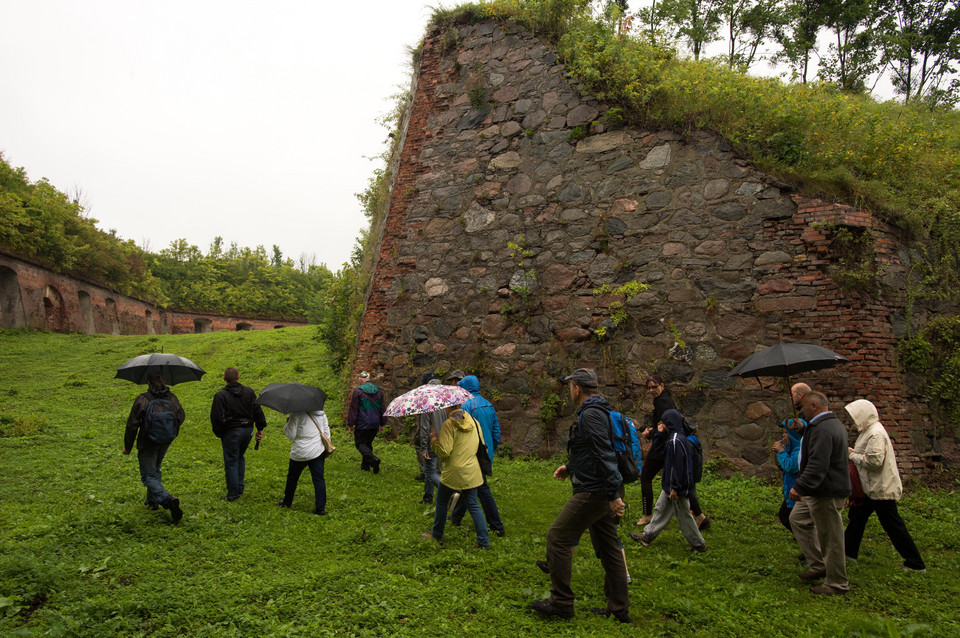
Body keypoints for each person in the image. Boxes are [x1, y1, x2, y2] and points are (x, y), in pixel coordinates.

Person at [531, 368, 629, 624]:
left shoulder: (592, 415)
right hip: (600, 487)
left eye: (570, 385)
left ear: (577, 388)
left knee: (558, 537)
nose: (569, 390)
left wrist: (612, 493)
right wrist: (570, 467)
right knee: (609, 549)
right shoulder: (599, 410)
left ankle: (561, 602)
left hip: (595, 491)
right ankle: (619, 609)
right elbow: (590, 451)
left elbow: (604, 453)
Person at [844, 399, 926, 572]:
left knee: (893, 525)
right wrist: (856, 453)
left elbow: (874, 461)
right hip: (871, 488)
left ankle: (915, 563)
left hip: (881, 488)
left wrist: (852, 456)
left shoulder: (875, 433)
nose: (853, 420)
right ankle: (848, 553)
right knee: (857, 518)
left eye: (855, 416)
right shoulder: (868, 431)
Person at [789, 391, 851, 595]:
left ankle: (837, 583)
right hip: (819, 489)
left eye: (804, 408)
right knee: (797, 518)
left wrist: (800, 486)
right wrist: (802, 430)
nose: (802, 412)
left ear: (814, 405)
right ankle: (819, 565)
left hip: (826, 490)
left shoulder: (823, 429)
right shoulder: (826, 425)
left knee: (830, 536)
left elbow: (818, 463)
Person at [635, 374, 708, 530]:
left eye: (654, 387)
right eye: (649, 388)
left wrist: (651, 433)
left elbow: (669, 428)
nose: (651, 390)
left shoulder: (664, 403)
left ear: (662, 384)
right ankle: (701, 517)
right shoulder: (664, 399)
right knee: (681, 482)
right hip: (668, 444)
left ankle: (647, 516)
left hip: (664, 446)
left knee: (646, 477)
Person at [629, 409, 706, 552]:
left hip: (676, 486)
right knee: (660, 509)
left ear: (669, 422)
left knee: (684, 516)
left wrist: (675, 487)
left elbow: (677, 466)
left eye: (663, 421)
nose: (660, 423)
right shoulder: (671, 437)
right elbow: (659, 450)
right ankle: (647, 536)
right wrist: (659, 433)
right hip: (670, 485)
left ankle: (698, 544)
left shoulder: (676, 441)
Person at [420, 403, 490, 549]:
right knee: (473, 505)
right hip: (471, 470)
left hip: (453, 472)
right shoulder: (473, 421)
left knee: (441, 501)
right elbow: (482, 444)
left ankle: (437, 534)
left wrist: (433, 439)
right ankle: (483, 541)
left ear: (447, 407)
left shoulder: (448, 424)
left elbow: (444, 451)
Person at [123, 372, 186, 523]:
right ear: (164, 381)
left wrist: (128, 446)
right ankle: (152, 502)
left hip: (147, 441)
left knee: (148, 475)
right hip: (165, 440)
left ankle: (167, 499)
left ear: (148, 383)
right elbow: (181, 416)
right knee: (155, 469)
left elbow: (132, 424)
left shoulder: (143, 399)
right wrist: (170, 431)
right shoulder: (172, 398)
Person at [450, 375, 505, 536]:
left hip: (472, 453)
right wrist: (491, 449)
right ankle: (456, 517)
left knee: (481, 489)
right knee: (470, 485)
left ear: (465, 388)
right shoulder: (488, 405)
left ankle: (497, 526)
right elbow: (496, 430)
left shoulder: (465, 406)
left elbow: (459, 430)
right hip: (485, 452)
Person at [210, 367, 267, 501]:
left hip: (231, 432)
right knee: (240, 458)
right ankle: (239, 488)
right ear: (238, 377)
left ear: (224, 379)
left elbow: (216, 417)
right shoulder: (249, 392)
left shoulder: (220, 395)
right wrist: (260, 427)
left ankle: (232, 494)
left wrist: (220, 433)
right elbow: (257, 410)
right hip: (247, 430)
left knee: (231, 461)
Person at [278, 408, 330, 515]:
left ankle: (287, 502)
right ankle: (320, 508)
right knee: (319, 479)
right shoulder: (321, 414)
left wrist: (287, 424)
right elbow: (326, 432)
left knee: (292, 477)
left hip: (300, 452)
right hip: (317, 450)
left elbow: (290, 435)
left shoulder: (296, 414)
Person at [346, 371, 387, 473]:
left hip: (363, 422)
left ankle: (374, 460)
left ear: (360, 379)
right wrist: (382, 423)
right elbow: (382, 409)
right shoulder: (379, 392)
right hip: (375, 422)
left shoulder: (358, 392)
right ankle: (365, 466)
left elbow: (354, 409)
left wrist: (350, 424)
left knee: (360, 444)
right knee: (368, 443)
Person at [772, 415, 804, 532]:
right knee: (786, 516)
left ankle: (807, 540)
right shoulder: (792, 448)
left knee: (787, 517)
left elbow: (791, 466)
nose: (783, 436)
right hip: (791, 489)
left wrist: (781, 452)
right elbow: (784, 467)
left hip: (797, 490)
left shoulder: (799, 450)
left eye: (786, 432)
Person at [418, 377, 445, 504]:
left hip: (431, 441)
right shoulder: (446, 404)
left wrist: (424, 447)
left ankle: (449, 493)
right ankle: (428, 497)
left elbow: (424, 428)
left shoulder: (427, 404)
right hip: (444, 441)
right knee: (431, 469)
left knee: (429, 471)